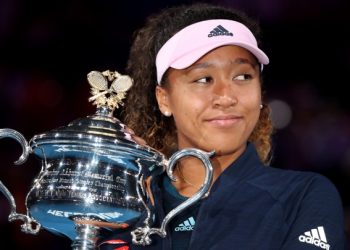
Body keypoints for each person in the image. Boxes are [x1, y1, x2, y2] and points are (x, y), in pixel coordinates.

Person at [99, 2, 345, 250]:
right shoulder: (127, 208)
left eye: (243, 76)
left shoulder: (302, 197)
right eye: (203, 79)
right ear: (164, 99)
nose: (226, 97)